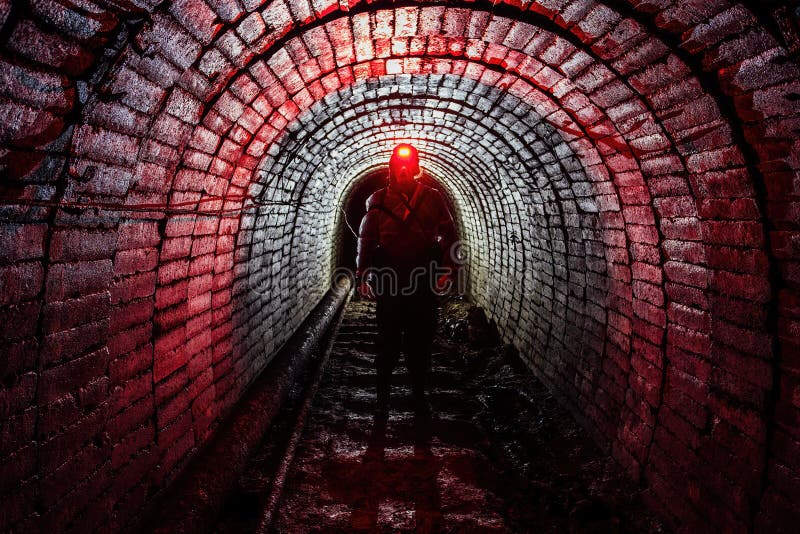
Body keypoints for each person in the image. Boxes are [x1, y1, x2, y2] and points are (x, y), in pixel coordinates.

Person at [355, 143, 458, 415]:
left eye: (407, 165)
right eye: (398, 165)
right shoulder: (377, 200)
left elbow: (449, 235)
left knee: (420, 342)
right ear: (391, 169)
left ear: (415, 168)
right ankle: (382, 399)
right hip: (390, 280)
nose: (402, 170)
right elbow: (366, 240)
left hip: (421, 279)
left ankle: (420, 397)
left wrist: (448, 268)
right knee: (387, 341)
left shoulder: (432, 198)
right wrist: (363, 274)